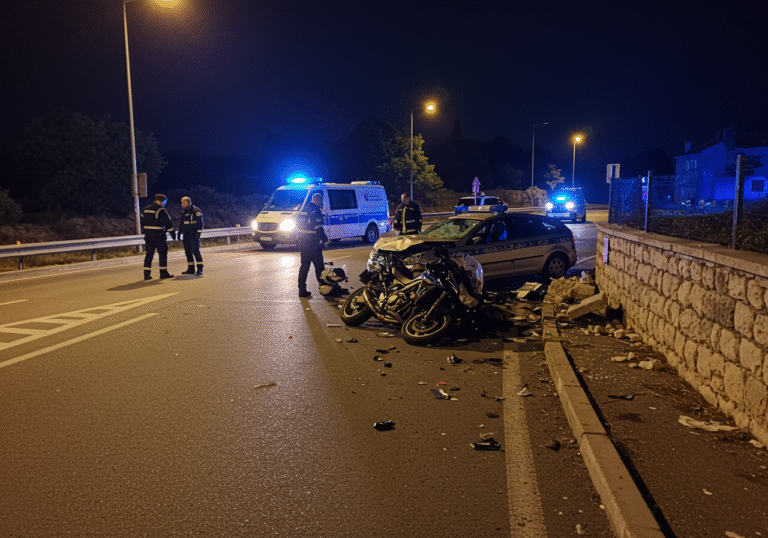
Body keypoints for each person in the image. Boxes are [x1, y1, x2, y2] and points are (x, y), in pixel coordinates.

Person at [297, 192, 328, 298]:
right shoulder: (316, 211)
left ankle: (302, 290)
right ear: (317, 200)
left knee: (304, 267)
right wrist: (326, 241)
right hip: (313, 244)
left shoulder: (302, 210)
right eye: (321, 201)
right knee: (319, 267)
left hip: (303, 243)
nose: (321, 203)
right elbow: (319, 229)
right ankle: (324, 289)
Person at [141, 193, 176, 280]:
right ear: (160, 202)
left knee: (149, 255)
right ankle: (163, 273)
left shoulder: (145, 209)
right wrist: (173, 234)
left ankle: (146, 274)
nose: (164, 204)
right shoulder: (161, 210)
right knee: (163, 253)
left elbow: (142, 221)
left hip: (148, 236)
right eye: (164, 202)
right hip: (159, 236)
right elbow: (168, 223)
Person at [179, 196, 204, 275]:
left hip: (194, 235)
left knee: (195, 251)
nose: (182, 204)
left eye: (183, 202)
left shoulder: (196, 211)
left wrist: (198, 234)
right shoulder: (184, 212)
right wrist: (179, 233)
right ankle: (191, 269)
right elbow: (182, 224)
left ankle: (200, 268)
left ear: (188, 202)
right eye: (181, 202)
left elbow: (200, 223)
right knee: (188, 252)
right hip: (186, 235)